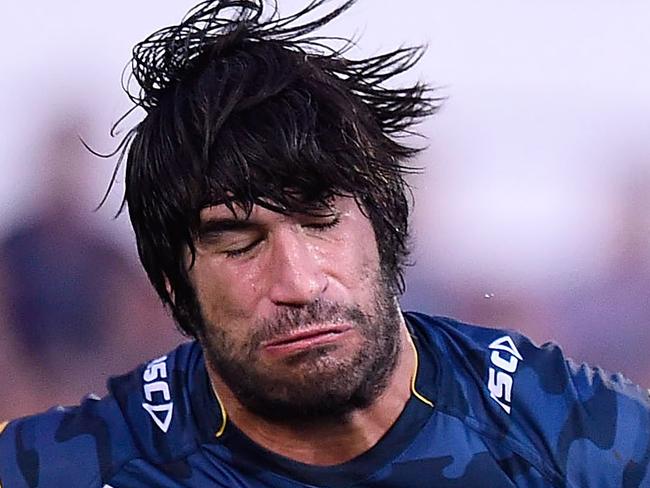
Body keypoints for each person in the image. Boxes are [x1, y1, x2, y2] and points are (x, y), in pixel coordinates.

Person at [1, 0, 649, 486]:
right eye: (240, 244)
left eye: (320, 222)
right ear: (174, 285)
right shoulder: (87, 466)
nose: (299, 283)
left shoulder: (578, 441)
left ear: (386, 227)